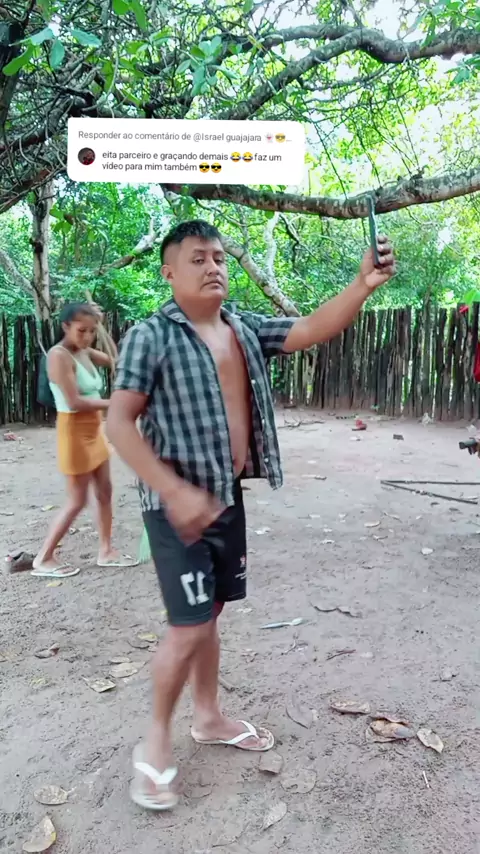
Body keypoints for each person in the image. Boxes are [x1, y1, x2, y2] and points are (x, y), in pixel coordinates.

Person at [106, 219, 395, 811]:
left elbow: (310, 327)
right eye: (197, 259)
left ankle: (208, 717)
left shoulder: (241, 327)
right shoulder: (150, 336)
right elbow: (118, 423)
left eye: (218, 257)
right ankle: (154, 741)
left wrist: (362, 284)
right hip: (174, 508)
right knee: (188, 625)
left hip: (223, 498)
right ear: (168, 272)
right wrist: (174, 491)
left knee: (209, 613)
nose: (213, 267)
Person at [32, 302, 137, 578]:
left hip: (94, 430)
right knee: (77, 500)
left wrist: (101, 326)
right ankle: (43, 558)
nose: (87, 336)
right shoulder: (58, 356)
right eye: (82, 330)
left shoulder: (85, 352)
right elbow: (74, 402)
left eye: (91, 331)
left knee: (105, 491)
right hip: (74, 432)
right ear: (65, 326)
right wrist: (115, 403)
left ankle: (106, 551)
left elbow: (115, 359)